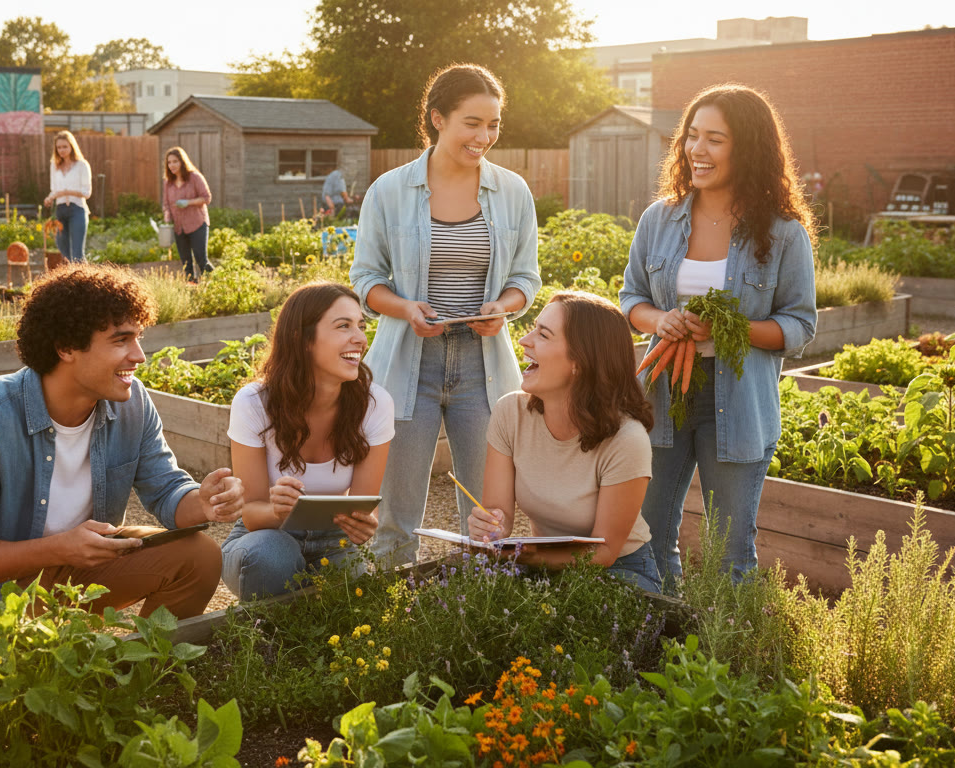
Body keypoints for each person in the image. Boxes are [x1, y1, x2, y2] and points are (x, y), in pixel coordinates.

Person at [0, 262, 245, 668]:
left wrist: (203, 501)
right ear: (66, 347)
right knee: (21, 696)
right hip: (1, 592)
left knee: (198, 556)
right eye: (121, 340)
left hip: (82, 566)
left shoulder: (132, 402)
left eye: (138, 337)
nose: (139, 355)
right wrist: (59, 547)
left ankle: (140, 673)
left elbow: (165, 490)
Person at [618, 84, 817, 589]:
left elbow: (799, 326)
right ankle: (658, 646)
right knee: (647, 535)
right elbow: (631, 298)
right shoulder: (659, 218)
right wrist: (660, 320)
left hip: (739, 401)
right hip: (662, 393)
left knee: (731, 551)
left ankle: (727, 661)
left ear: (746, 148)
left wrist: (727, 327)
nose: (696, 150)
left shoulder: (783, 232)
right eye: (691, 136)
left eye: (715, 139)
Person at [351, 63, 541, 566]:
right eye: (472, 122)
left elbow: (526, 279)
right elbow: (366, 280)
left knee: (487, 512)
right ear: (438, 118)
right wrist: (406, 308)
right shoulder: (389, 191)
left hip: (483, 366)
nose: (484, 136)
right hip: (409, 361)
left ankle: (473, 616)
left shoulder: (513, 192)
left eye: (494, 124)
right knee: (397, 514)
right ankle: (391, 626)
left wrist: (504, 307)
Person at [467, 292, 661, 592]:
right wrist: (490, 527)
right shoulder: (510, 413)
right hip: (538, 563)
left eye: (543, 334)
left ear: (579, 363)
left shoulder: (627, 439)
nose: (524, 340)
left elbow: (603, 553)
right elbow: (499, 520)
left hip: (621, 571)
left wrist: (524, 555)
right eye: (533, 328)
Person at [221, 282, 393, 598]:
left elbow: (364, 508)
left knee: (349, 601)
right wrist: (278, 509)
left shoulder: (375, 404)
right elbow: (251, 513)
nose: (360, 338)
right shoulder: (254, 402)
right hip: (267, 534)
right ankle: (265, 637)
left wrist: (366, 526)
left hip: (333, 537)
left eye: (361, 325)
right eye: (343, 326)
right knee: (269, 559)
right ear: (302, 339)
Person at [162, 147, 214, 283]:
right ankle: (192, 289)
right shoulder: (168, 183)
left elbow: (207, 198)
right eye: (169, 162)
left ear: (182, 162)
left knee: (201, 259)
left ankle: (215, 286)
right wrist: (167, 214)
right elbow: (166, 204)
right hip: (179, 227)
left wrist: (188, 202)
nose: (171, 165)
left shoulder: (195, 177)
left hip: (197, 223)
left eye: (175, 161)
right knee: (186, 263)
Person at [44, 130, 92, 262]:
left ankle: (85, 280)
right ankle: (78, 278)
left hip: (77, 209)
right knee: (63, 249)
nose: (62, 150)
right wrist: (49, 198)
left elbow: (87, 193)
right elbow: (54, 190)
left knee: (77, 253)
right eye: (59, 147)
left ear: (72, 146)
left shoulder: (82, 165)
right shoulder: (54, 166)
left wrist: (66, 192)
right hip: (60, 211)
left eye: (65, 146)